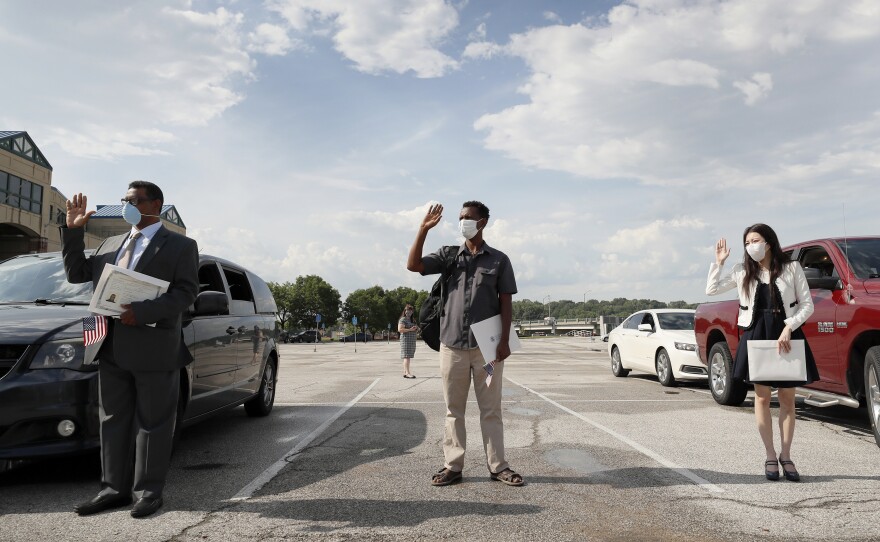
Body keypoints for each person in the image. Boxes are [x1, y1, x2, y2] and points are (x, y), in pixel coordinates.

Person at [62, 181, 199, 517]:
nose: (127, 206)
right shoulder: (111, 243)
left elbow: (186, 293)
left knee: (153, 423)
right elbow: (76, 273)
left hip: (154, 347)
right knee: (112, 420)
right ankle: (113, 490)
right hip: (107, 344)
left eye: (134, 200)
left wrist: (144, 311)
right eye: (124, 200)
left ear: (157, 204)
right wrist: (72, 231)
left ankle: (149, 492)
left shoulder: (180, 245)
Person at [407, 201, 523, 487]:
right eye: (460, 218)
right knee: (453, 410)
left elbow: (505, 303)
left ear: (482, 222)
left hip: (487, 349)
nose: (462, 222)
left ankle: (498, 466)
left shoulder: (498, 260)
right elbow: (414, 265)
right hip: (452, 345)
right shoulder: (449, 256)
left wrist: (504, 342)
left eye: (468, 218)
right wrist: (422, 230)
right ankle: (453, 466)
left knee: (491, 410)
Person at [706, 223, 818, 482]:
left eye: (754, 240)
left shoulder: (791, 268)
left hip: (786, 333)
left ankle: (786, 455)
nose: (750, 246)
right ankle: (770, 454)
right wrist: (719, 263)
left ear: (768, 242)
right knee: (762, 398)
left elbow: (807, 305)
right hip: (756, 333)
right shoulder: (742, 271)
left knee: (788, 400)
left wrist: (790, 327)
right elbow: (711, 290)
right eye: (746, 243)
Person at [398, 304, 419, 378]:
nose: (409, 312)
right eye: (407, 310)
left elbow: (416, 329)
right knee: (407, 356)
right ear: (405, 311)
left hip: (411, 340)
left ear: (412, 312)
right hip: (406, 340)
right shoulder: (403, 319)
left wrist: (416, 328)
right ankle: (407, 373)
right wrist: (410, 329)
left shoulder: (412, 320)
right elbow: (400, 329)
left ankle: (405, 372)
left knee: (407, 356)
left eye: (410, 310)